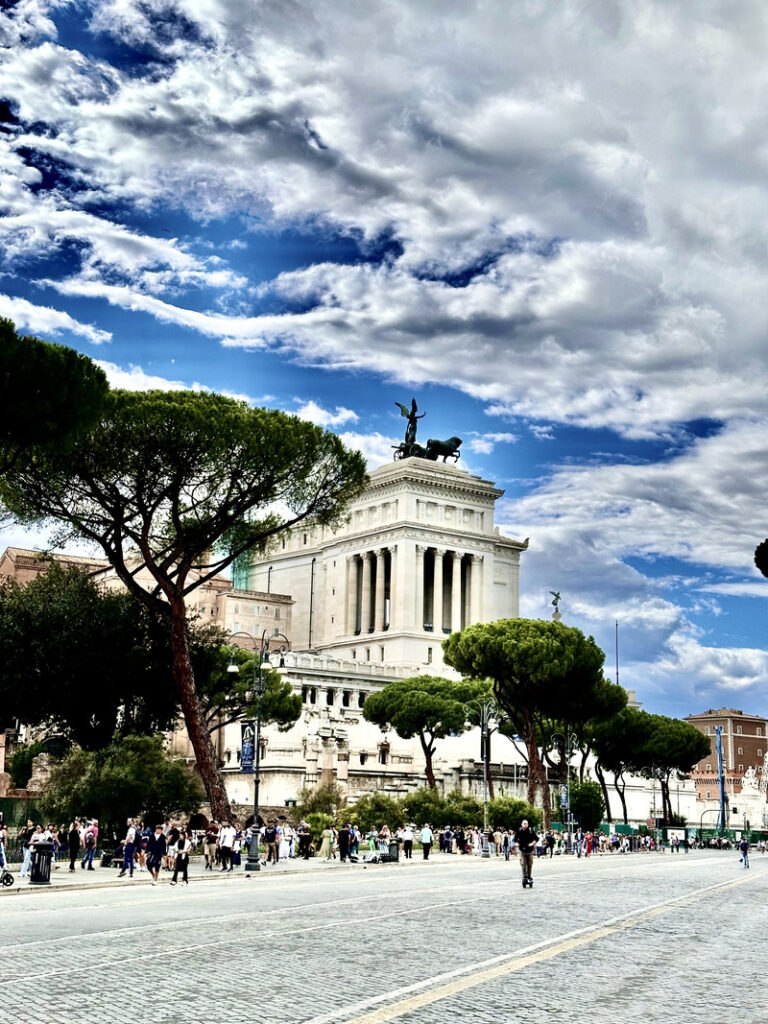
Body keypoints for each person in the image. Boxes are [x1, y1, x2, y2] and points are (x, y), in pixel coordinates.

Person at [514, 819, 538, 889]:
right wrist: (516, 844)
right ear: (521, 824)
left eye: (526, 824)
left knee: (530, 864)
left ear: (528, 824)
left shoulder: (531, 831)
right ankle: (524, 876)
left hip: (530, 850)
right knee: (523, 864)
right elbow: (515, 839)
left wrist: (532, 843)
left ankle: (529, 876)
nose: (525, 825)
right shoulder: (519, 831)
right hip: (522, 850)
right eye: (524, 824)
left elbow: (536, 839)